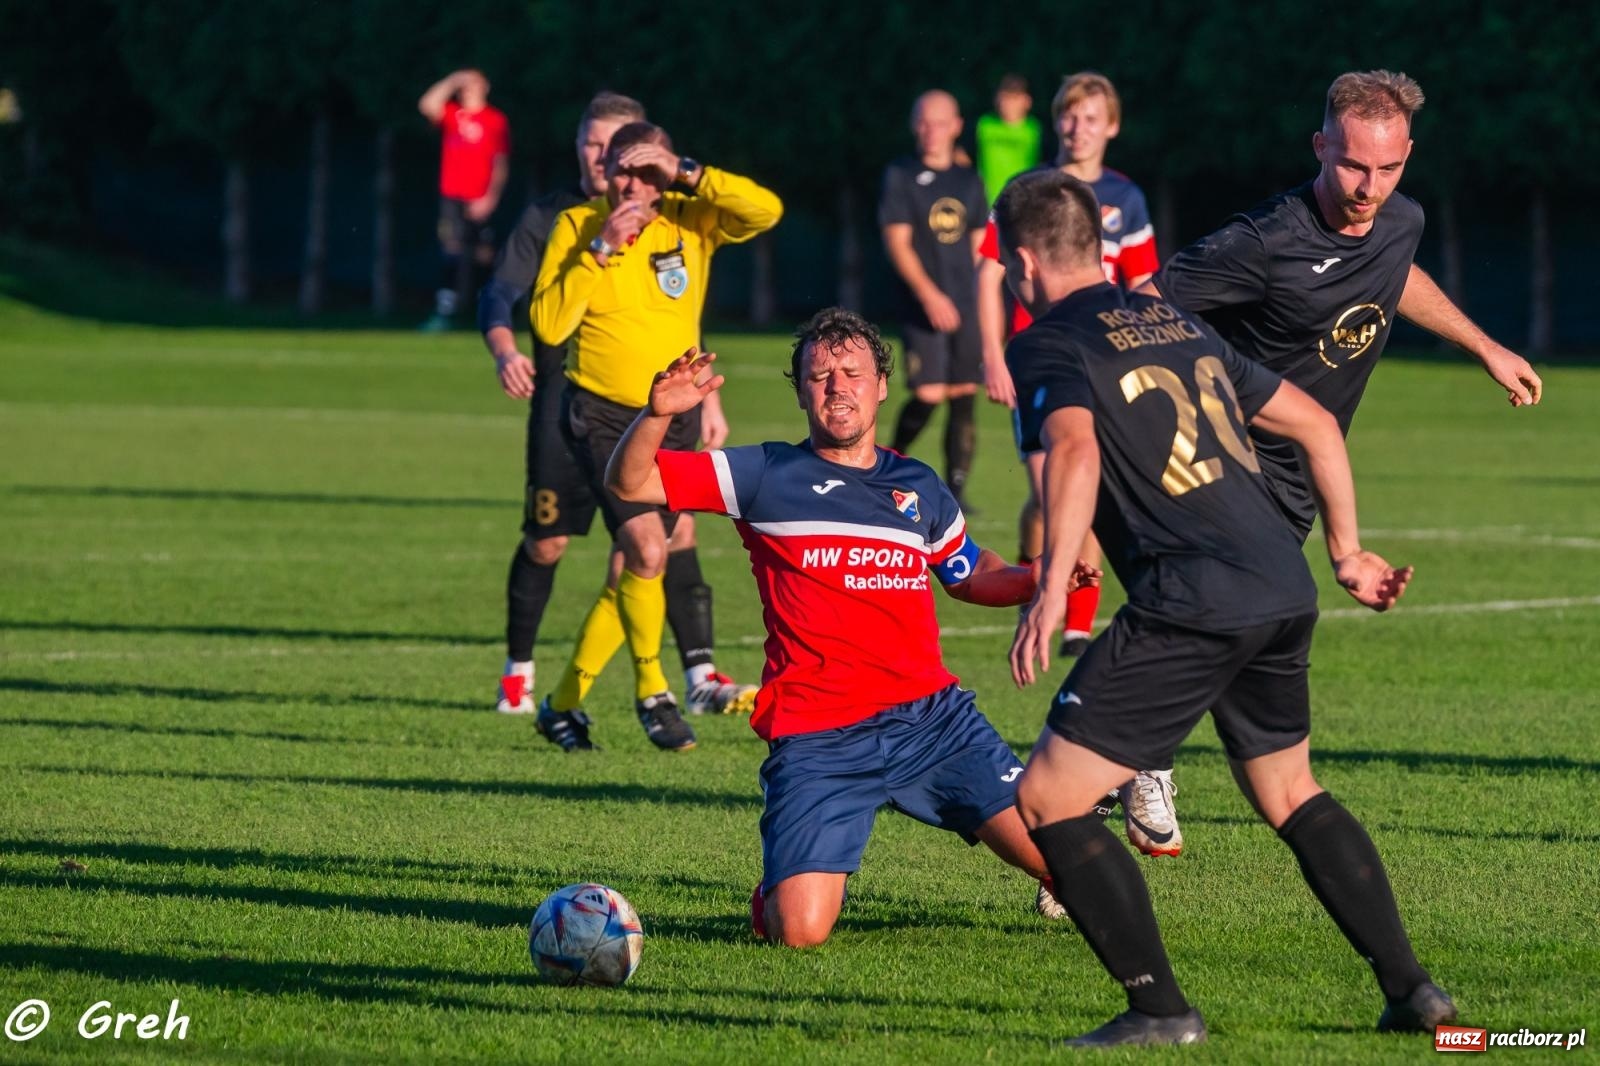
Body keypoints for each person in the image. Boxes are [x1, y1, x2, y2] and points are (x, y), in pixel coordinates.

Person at [994, 168, 1455, 1047]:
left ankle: (1160, 1012)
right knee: (1288, 789)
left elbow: (1074, 450)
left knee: (1048, 797)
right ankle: (1414, 992)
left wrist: (1052, 590)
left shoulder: (1048, 341)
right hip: (1280, 580)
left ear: (1022, 263)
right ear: (1098, 243)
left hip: (1192, 594)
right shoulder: (1174, 322)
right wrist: (1346, 551)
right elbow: (1316, 422)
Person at [606, 309, 1080, 942]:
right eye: (820, 376)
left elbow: (968, 573)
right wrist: (656, 415)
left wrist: (1034, 577)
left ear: (881, 385)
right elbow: (630, 481)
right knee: (798, 931)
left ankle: (1054, 852)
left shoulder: (917, 484)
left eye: (852, 373)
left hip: (932, 722)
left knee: (1074, 866)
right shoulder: (764, 474)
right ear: (801, 392)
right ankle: (780, 887)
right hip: (818, 735)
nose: (837, 387)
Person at [1152, 68, 1542, 549]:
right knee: (1246, 597)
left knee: (1274, 599)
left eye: (1389, 168)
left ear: (1408, 154)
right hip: (1219, 468)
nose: (1370, 188)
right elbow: (1140, 306)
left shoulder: (1402, 220)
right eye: (1354, 166)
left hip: (1300, 480)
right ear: (1320, 146)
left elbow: (1394, 274)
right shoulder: (1264, 240)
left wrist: (1485, 348)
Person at [477, 92, 754, 721]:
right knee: (549, 541)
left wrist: (709, 396)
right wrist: (503, 349)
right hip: (569, 405)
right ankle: (522, 674)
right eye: (595, 144)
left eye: (619, 147)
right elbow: (503, 293)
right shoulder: (556, 217)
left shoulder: (676, 218)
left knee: (657, 542)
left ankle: (692, 677)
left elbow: (675, 316)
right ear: (580, 148)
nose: (607, 158)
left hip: (653, 408)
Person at [976, 70, 1177, 858]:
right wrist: (993, 352)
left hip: (1111, 363)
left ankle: (1075, 622)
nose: (1078, 128)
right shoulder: (1032, 192)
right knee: (1060, 493)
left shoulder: (1124, 197)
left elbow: (1146, 284)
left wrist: (1159, 342)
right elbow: (989, 270)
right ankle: (1059, 599)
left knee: (1091, 503)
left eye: (1091, 118)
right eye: (1069, 116)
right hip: (1046, 366)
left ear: (1110, 126)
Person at [531, 121, 782, 752]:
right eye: (623, 169)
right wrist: (599, 251)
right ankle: (654, 693)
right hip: (602, 414)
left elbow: (766, 211)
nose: (633, 184)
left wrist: (689, 171)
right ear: (605, 172)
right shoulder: (579, 225)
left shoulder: (687, 220)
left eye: (648, 171)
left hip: (676, 414)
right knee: (646, 550)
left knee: (637, 563)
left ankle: (562, 705)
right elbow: (549, 324)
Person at [879, 90, 990, 511]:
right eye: (924, 122)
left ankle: (957, 492)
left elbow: (980, 246)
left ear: (956, 126)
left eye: (940, 123)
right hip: (922, 305)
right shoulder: (900, 175)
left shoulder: (969, 180)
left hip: (966, 305)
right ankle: (886, 465)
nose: (931, 131)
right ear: (914, 125)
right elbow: (898, 243)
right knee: (928, 393)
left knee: (963, 393)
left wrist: (985, 304)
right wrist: (929, 296)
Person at [418, 69, 509, 331]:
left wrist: (490, 197)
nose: (468, 90)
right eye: (465, 86)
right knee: (451, 249)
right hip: (452, 195)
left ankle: (488, 310)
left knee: (484, 253)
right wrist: (454, 79)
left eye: (473, 84)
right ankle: (445, 311)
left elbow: (500, 162)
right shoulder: (453, 114)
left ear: (485, 87)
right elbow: (426, 105)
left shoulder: (495, 120)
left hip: (480, 196)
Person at [975, 74, 1040, 205]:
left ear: (1027, 101)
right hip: (987, 204)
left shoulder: (1035, 130)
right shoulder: (984, 125)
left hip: (1023, 202)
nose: (1008, 104)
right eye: (1005, 97)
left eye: (1014, 98)